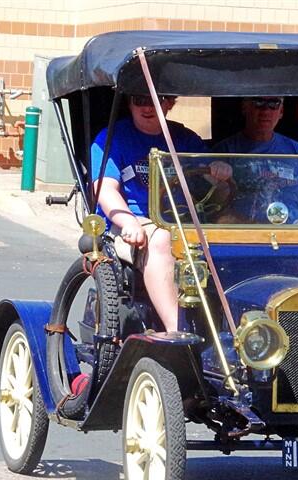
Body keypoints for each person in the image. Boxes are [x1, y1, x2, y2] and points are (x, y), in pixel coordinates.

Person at [91, 94, 231, 332]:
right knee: (162, 239)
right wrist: (127, 221)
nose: (147, 107)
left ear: (170, 103)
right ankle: (177, 331)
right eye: (140, 100)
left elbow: (216, 185)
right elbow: (104, 188)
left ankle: (235, 327)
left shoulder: (184, 138)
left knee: (232, 231)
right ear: (130, 103)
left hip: (182, 220)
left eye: (156, 100)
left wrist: (220, 172)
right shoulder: (112, 138)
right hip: (131, 223)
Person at [212, 97, 298, 223]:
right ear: (245, 107)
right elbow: (212, 204)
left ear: (281, 111)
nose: (265, 111)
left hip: (294, 234)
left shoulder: (296, 150)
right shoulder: (224, 152)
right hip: (243, 235)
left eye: (273, 104)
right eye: (258, 102)